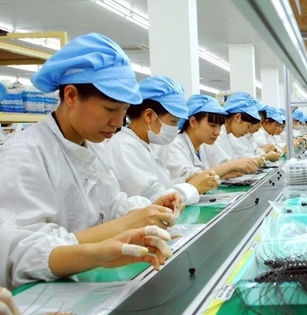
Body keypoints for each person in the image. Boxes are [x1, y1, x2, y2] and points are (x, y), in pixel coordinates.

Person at [0, 33, 178, 288]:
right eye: (110, 109)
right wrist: (109, 240)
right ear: (71, 96)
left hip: (83, 284)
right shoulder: (25, 154)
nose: (118, 122)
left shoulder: (93, 147)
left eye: (124, 110)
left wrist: (144, 211)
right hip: (39, 298)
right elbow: (22, 254)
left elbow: (110, 205)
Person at [107, 76, 220, 205]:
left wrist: (186, 181)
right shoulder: (124, 147)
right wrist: (192, 187)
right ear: (149, 115)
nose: (175, 128)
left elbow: (161, 187)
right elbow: (153, 200)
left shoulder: (143, 145)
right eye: (173, 122)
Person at [158, 95, 258, 180]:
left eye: (219, 126)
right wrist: (231, 166)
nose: (217, 132)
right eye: (212, 125)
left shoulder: (200, 147)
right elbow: (192, 178)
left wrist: (223, 174)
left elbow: (203, 174)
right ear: (193, 122)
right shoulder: (174, 145)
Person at [202, 91, 263, 170]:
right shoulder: (218, 134)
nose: (247, 132)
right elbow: (222, 167)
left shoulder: (228, 135)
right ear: (237, 117)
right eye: (248, 126)